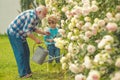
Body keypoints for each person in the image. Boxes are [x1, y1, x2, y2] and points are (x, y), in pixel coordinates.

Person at [7, 5, 49, 78]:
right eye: (44, 14)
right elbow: (27, 31)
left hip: (20, 34)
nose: (45, 16)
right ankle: (23, 74)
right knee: (21, 53)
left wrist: (44, 33)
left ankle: (28, 72)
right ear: (39, 12)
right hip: (14, 33)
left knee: (26, 52)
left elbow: (33, 28)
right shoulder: (32, 16)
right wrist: (36, 39)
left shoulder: (35, 16)